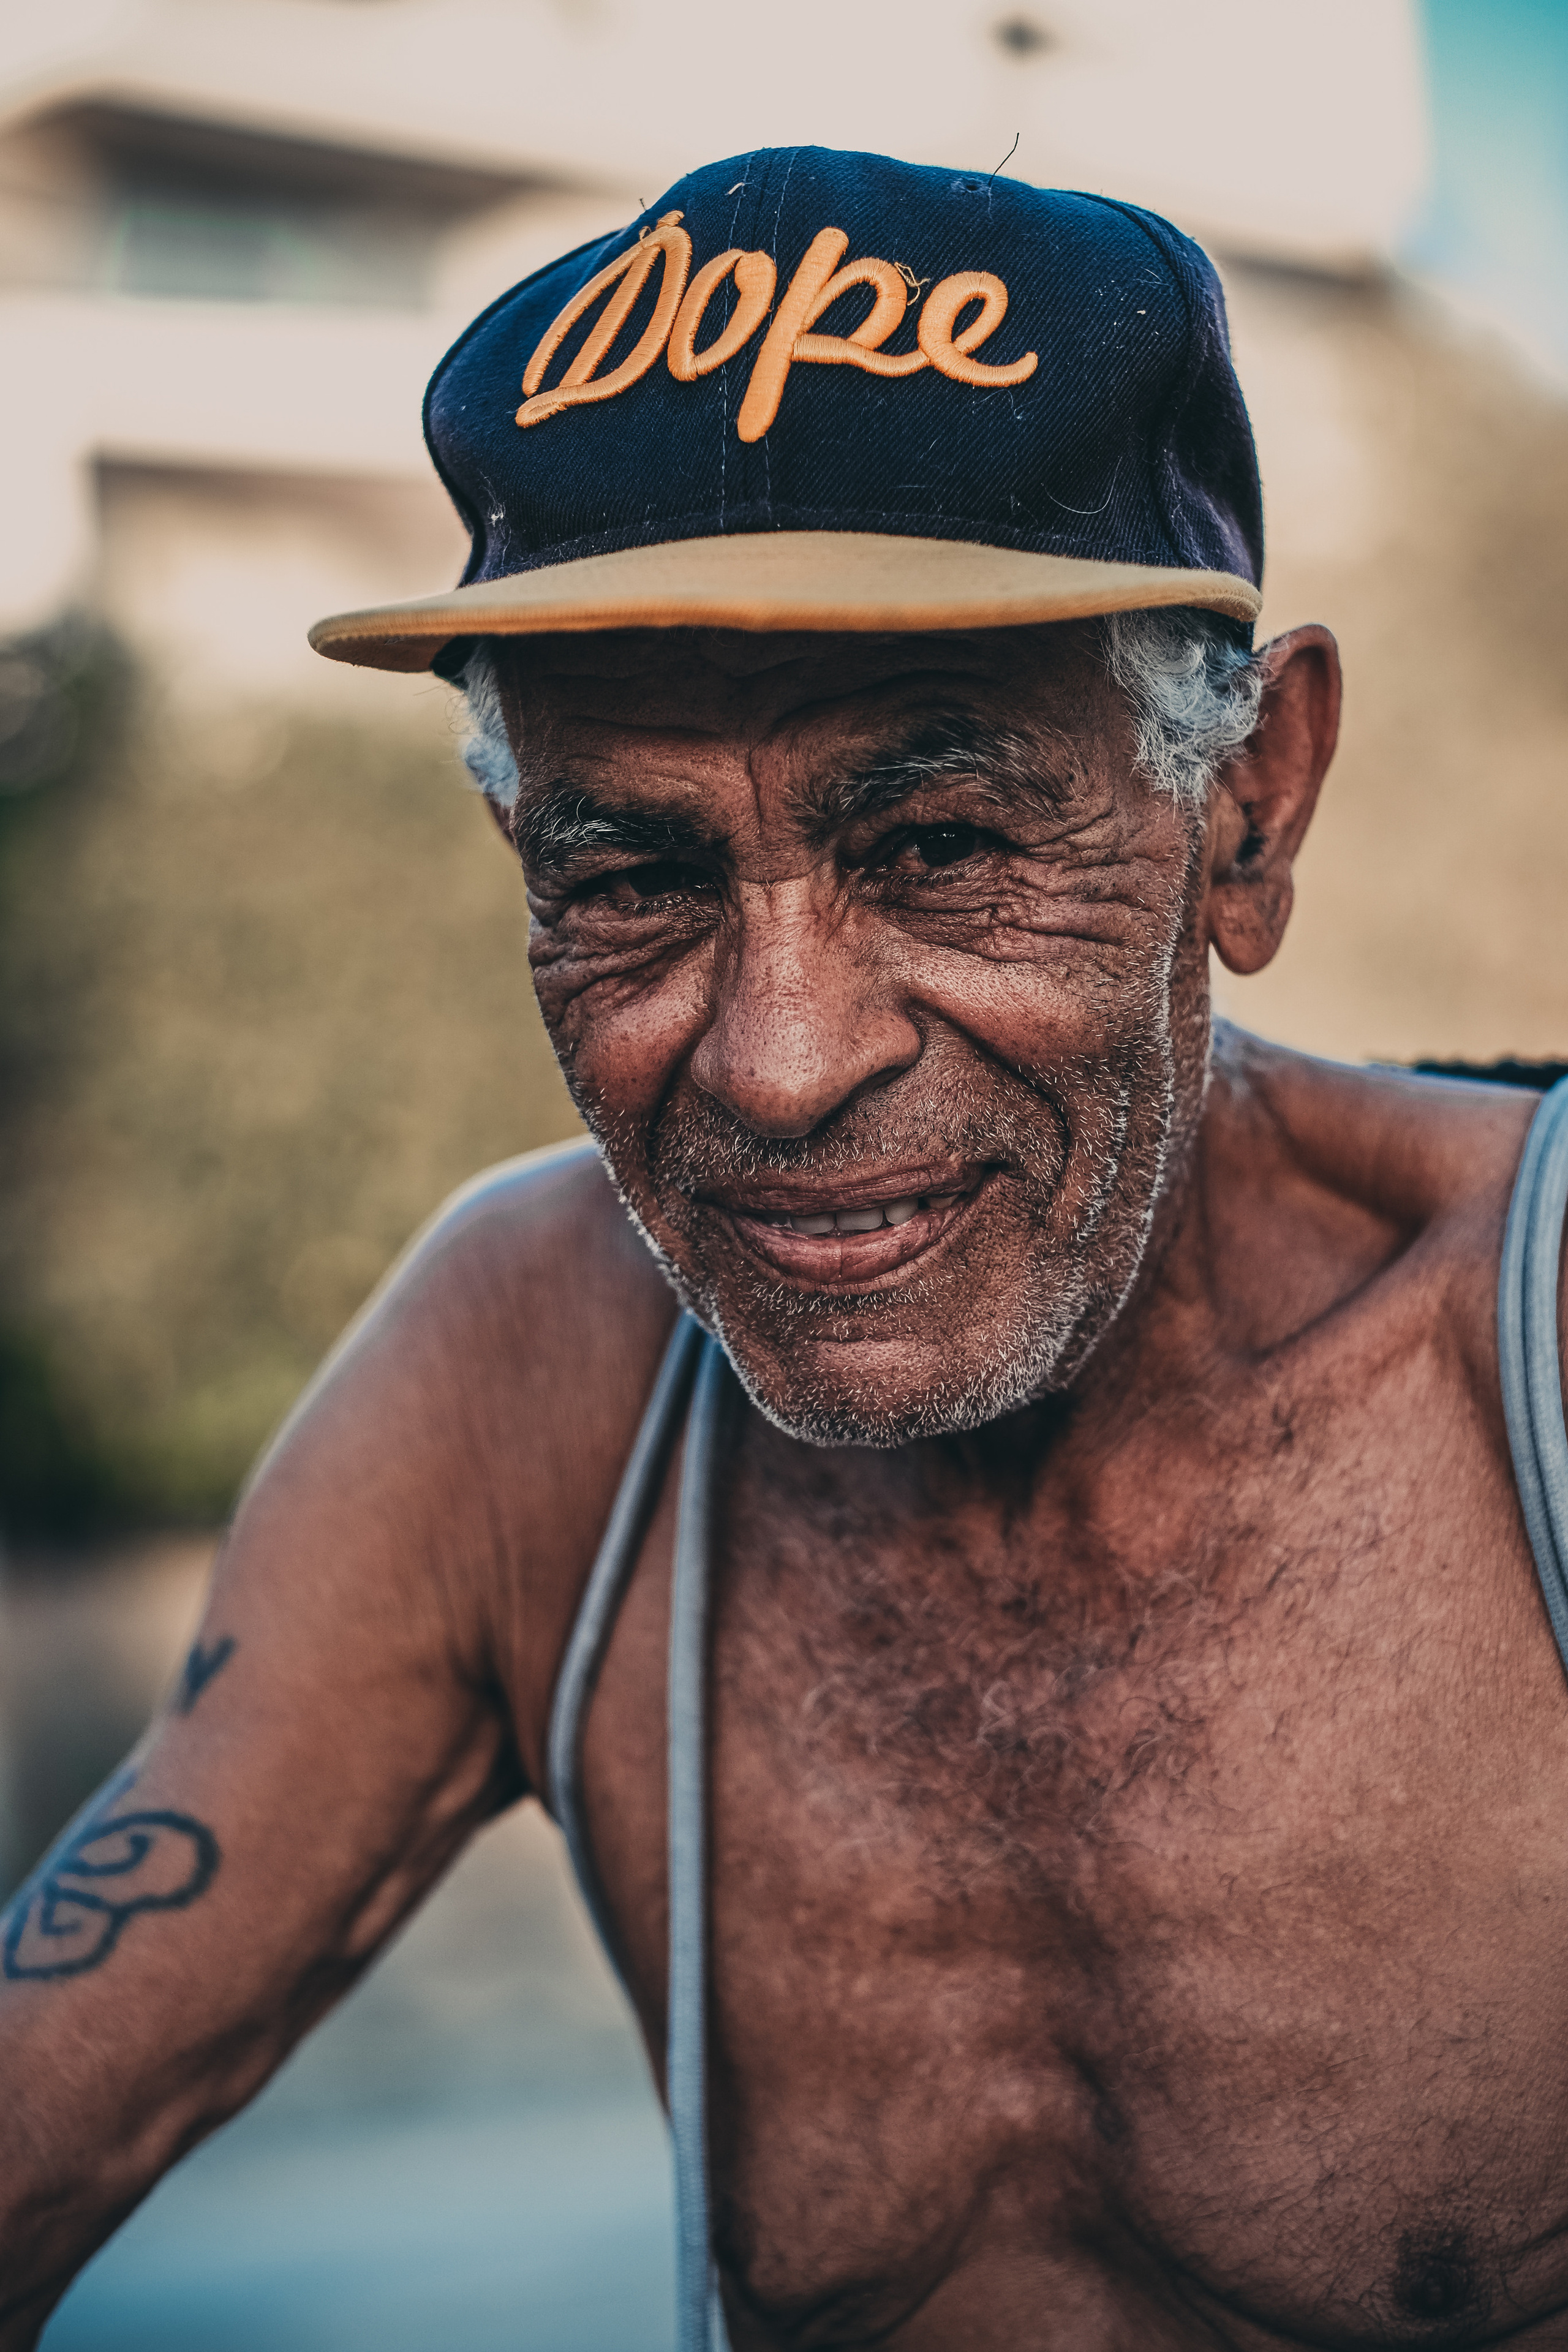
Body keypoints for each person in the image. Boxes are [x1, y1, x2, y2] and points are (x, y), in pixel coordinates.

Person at [2, 145, 1566, 2352]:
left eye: (938, 843)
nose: (777, 1063)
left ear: (1250, 806)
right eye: (629, 877)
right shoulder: (530, 1384)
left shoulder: (1539, 1354)